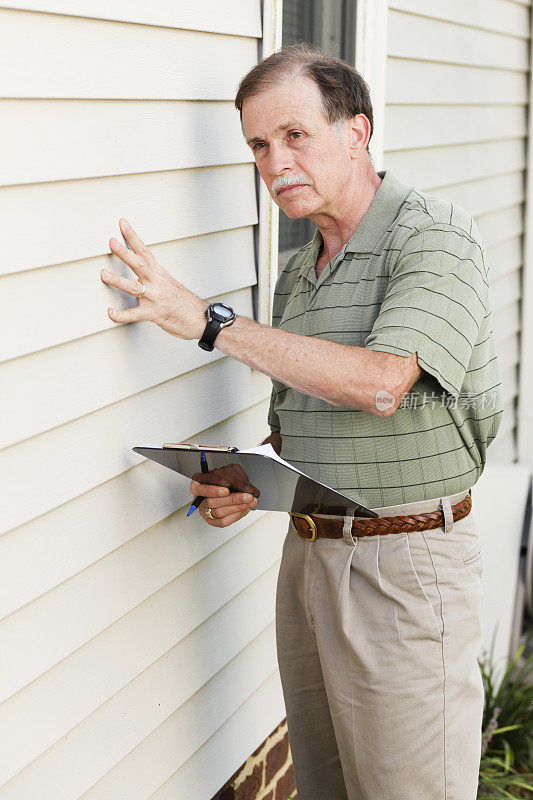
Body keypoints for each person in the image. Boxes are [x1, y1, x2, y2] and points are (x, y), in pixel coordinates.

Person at [100, 43, 503, 800]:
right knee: (326, 785)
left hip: (408, 566)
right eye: (258, 144)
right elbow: (293, 433)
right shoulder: (298, 271)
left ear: (356, 132)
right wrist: (243, 480)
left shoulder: (434, 238)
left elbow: (383, 384)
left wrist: (210, 322)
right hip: (308, 560)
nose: (274, 160)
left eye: (294, 135)